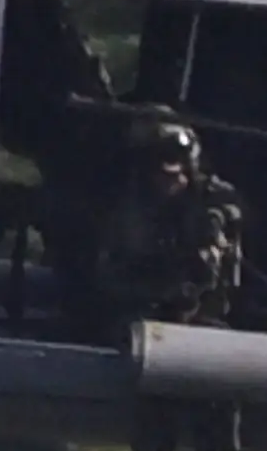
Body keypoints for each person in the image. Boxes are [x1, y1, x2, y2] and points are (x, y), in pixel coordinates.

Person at [89, 113, 247, 326]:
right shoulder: (122, 202)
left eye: (178, 161)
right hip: (133, 309)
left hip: (199, 311)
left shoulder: (213, 198)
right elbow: (108, 274)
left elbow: (229, 222)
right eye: (159, 163)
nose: (171, 177)